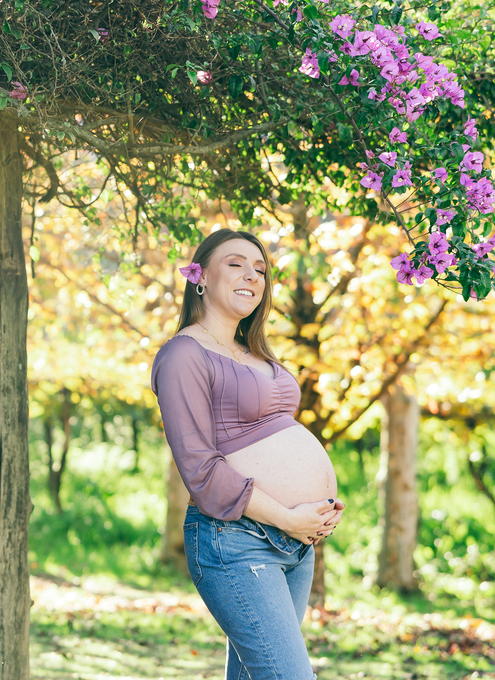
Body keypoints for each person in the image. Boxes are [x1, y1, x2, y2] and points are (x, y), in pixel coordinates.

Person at [151, 229, 344, 680]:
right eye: (236, 263)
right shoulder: (183, 354)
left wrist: (313, 510)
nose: (252, 276)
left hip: (294, 544)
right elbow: (200, 471)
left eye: (260, 269)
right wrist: (288, 516)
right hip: (237, 542)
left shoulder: (254, 353)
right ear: (198, 276)